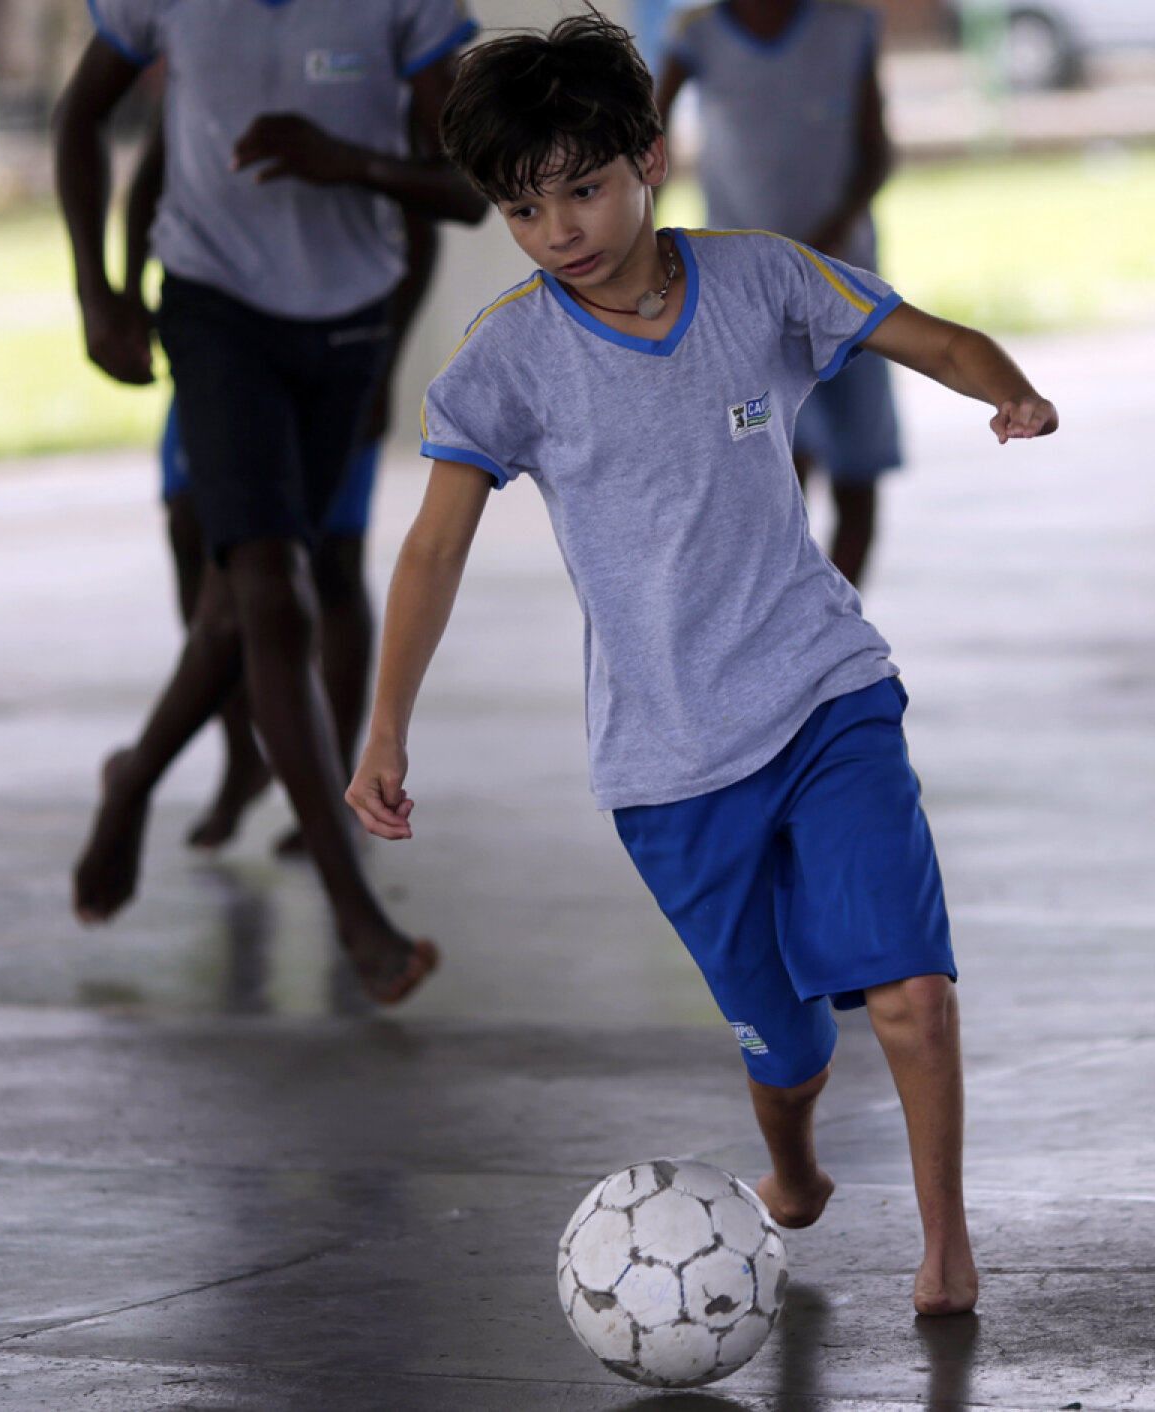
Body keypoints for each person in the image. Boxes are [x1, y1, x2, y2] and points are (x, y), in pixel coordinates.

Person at [345, 12, 1057, 1309]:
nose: (560, 227)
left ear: (650, 160)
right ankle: (790, 1158)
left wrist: (1008, 388)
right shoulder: (510, 357)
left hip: (825, 689)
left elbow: (933, 338)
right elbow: (432, 554)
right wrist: (386, 726)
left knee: (907, 989)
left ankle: (946, 1250)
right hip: (669, 762)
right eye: (523, 207)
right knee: (785, 1043)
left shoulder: (762, 277)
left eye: (583, 188)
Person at [54, 0, 486, 1004]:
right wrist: (98, 292)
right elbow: (80, 117)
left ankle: (133, 778)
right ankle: (354, 913)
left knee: (244, 601)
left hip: (347, 323)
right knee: (271, 590)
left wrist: (355, 162)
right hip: (213, 310)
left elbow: (470, 189)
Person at [124, 115, 441, 856]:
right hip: (223, 342)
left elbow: (421, 222)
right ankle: (241, 758)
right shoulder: (211, 39)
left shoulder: (372, 60)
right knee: (199, 538)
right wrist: (117, 286)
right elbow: (154, 170)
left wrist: (383, 360)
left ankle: (333, 790)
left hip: (335, 352)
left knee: (327, 564)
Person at [656, 0, 900, 587]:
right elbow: (647, 141)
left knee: (857, 474)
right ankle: (785, 628)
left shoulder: (849, 28)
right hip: (747, 303)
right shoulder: (698, 34)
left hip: (844, 284)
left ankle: (838, 629)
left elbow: (875, 152)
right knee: (777, 467)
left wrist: (824, 240)